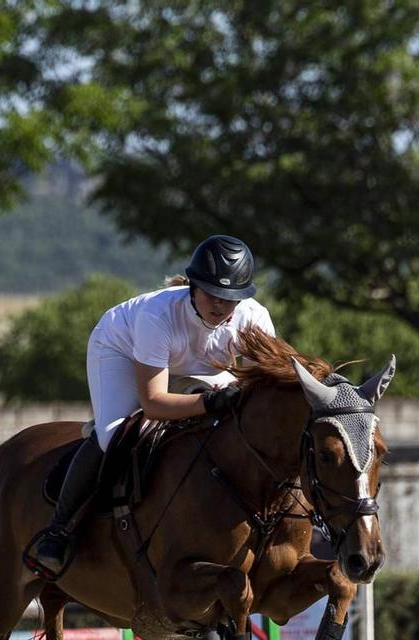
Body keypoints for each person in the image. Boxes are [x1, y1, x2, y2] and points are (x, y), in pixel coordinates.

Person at [26, 234, 278, 577]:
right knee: (112, 435)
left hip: (195, 364)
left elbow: (272, 385)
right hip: (121, 347)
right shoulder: (157, 316)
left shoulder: (253, 317)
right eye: (212, 295)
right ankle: (57, 531)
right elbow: (155, 403)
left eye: (230, 299)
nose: (220, 306)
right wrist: (210, 402)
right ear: (194, 287)